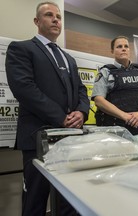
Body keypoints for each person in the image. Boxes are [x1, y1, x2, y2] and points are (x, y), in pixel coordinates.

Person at [5, 2, 89, 215]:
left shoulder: (68, 58)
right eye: (49, 15)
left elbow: (80, 90)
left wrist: (81, 112)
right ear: (37, 21)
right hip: (38, 137)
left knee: (69, 199)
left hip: (70, 137)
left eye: (58, 17)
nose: (55, 20)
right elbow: (24, 89)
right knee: (35, 199)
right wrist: (61, 117)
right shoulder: (21, 49)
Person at [91, 36, 138, 135]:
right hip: (116, 129)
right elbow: (99, 100)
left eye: (126, 46)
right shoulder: (106, 72)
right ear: (112, 51)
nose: (123, 48)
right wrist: (125, 116)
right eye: (119, 46)